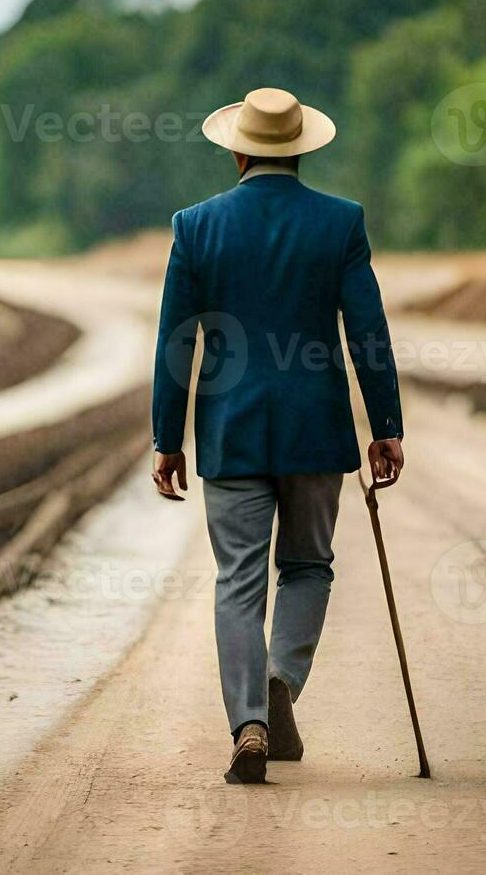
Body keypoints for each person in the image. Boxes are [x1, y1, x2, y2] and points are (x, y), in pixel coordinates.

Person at [150, 88, 405, 784]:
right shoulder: (340, 223)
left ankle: (250, 723)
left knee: (238, 580)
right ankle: (281, 677)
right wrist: (386, 426)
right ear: (299, 148)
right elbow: (368, 333)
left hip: (230, 433)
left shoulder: (195, 226)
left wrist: (166, 439)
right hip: (315, 429)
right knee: (308, 567)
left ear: (236, 149)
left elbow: (179, 343)